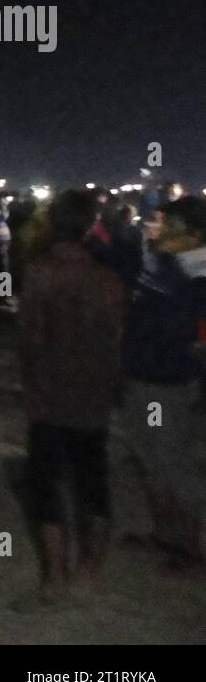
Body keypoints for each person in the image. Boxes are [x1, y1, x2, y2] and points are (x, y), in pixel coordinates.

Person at [16, 190, 126, 606]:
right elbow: (117, 338)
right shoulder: (109, 279)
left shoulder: (41, 273)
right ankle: (90, 571)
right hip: (93, 395)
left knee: (45, 486)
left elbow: (30, 339)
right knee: (92, 483)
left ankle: (55, 577)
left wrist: (31, 382)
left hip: (49, 395)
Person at [120, 196, 206, 568]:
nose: (157, 230)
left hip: (167, 384)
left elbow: (192, 337)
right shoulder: (168, 265)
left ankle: (195, 545)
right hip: (144, 376)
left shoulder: (198, 278)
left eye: (167, 225)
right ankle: (169, 535)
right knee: (150, 458)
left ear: (194, 235)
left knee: (173, 465)